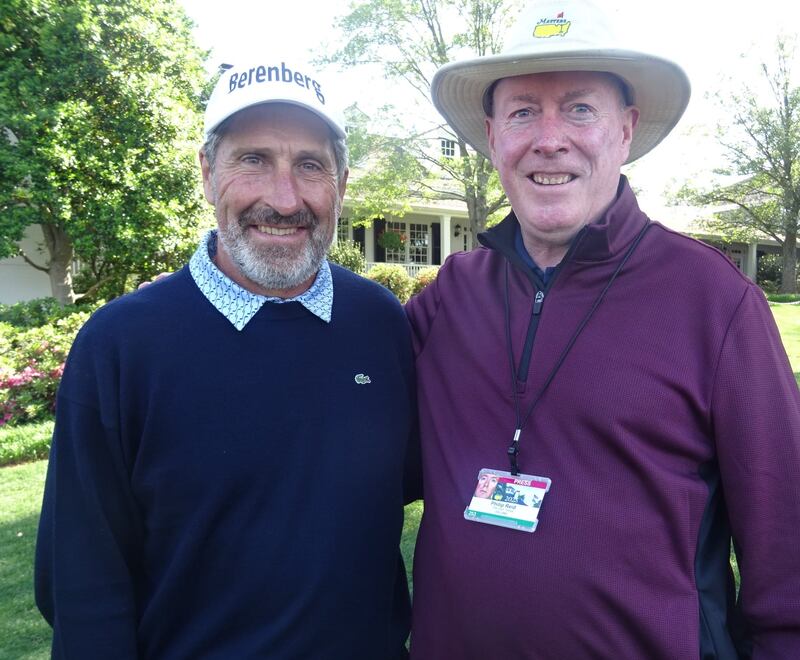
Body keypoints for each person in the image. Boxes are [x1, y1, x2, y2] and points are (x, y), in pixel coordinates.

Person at [404, 0, 800, 657]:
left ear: (625, 130)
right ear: (495, 135)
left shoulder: (715, 304)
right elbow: (348, 432)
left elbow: (788, 560)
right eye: (524, 110)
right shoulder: (450, 298)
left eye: (580, 108)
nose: (549, 138)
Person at [35, 55, 415, 659]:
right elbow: (83, 584)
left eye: (310, 165)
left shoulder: (379, 322)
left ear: (341, 184)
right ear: (208, 173)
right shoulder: (121, 346)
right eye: (254, 160)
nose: (284, 198)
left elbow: (412, 483)